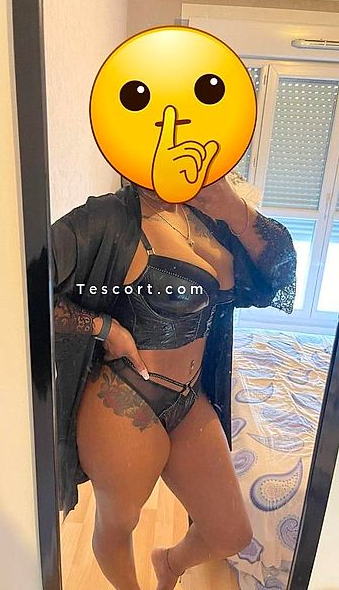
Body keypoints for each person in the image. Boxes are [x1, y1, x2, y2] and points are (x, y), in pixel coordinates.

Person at [52, 173, 296, 590]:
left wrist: (235, 210)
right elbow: (25, 283)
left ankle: (169, 563)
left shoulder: (211, 215)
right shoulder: (109, 217)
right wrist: (103, 327)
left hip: (189, 398)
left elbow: (279, 274)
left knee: (231, 534)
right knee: (118, 525)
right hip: (127, 395)